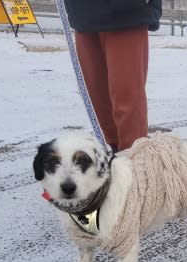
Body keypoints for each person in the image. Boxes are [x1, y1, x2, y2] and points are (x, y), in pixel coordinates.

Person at [63, 0, 162, 153]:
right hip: (82, 13)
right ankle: (116, 154)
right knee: (98, 99)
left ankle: (134, 161)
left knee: (126, 97)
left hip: (127, 13)